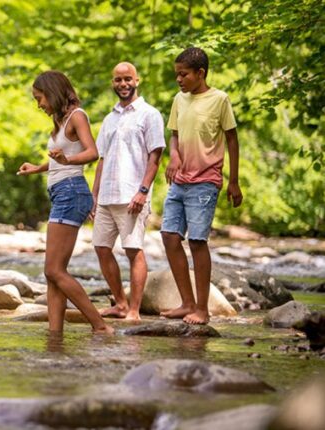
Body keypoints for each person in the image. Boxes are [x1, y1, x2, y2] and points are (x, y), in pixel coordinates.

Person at [18, 71, 114, 335]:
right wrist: (38, 168)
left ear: (53, 92)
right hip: (61, 192)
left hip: (72, 192)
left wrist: (66, 161)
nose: (39, 104)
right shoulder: (59, 122)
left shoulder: (77, 116)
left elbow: (93, 152)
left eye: (40, 98)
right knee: (53, 273)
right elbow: (62, 158)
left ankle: (101, 325)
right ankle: (55, 334)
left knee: (53, 269)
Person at [161, 47, 243, 324]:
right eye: (177, 75)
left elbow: (232, 139)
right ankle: (186, 303)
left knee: (197, 241)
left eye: (183, 74)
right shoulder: (178, 100)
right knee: (170, 236)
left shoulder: (220, 100)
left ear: (200, 73)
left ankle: (202, 309)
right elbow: (174, 135)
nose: (179, 80)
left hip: (206, 182)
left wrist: (233, 181)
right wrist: (173, 155)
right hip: (179, 180)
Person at [91, 62, 165, 321]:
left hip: (132, 194)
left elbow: (155, 157)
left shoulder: (149, 114)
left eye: (127, 79)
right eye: (118, 80)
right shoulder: (109, 119)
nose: (123, 84)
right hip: (106, 197)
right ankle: (120, 303)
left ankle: (134, 310)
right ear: (113, 83)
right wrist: (94, 193)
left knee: (133, 250)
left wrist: (142, 191)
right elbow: (102, 158)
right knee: (101, 247)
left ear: (137, 80)